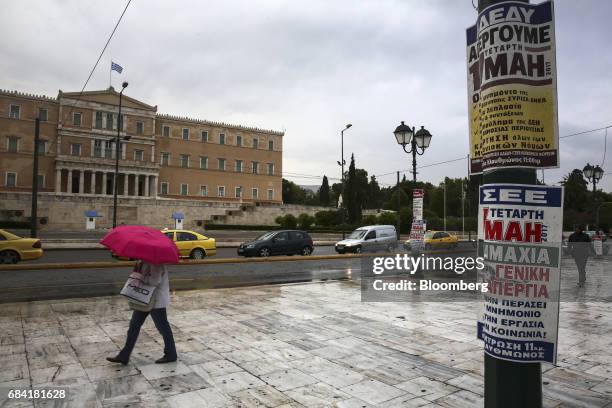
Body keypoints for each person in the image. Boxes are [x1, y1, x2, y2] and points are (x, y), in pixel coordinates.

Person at [107, 260, 177, 365]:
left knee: (163, 328)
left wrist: (140, 277)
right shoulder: (143, 261)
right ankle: (124, 355)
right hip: (144, 299)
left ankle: (171, 354)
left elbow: (155, 281)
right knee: (134, 326)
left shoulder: (155, 263)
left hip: (155, 301)